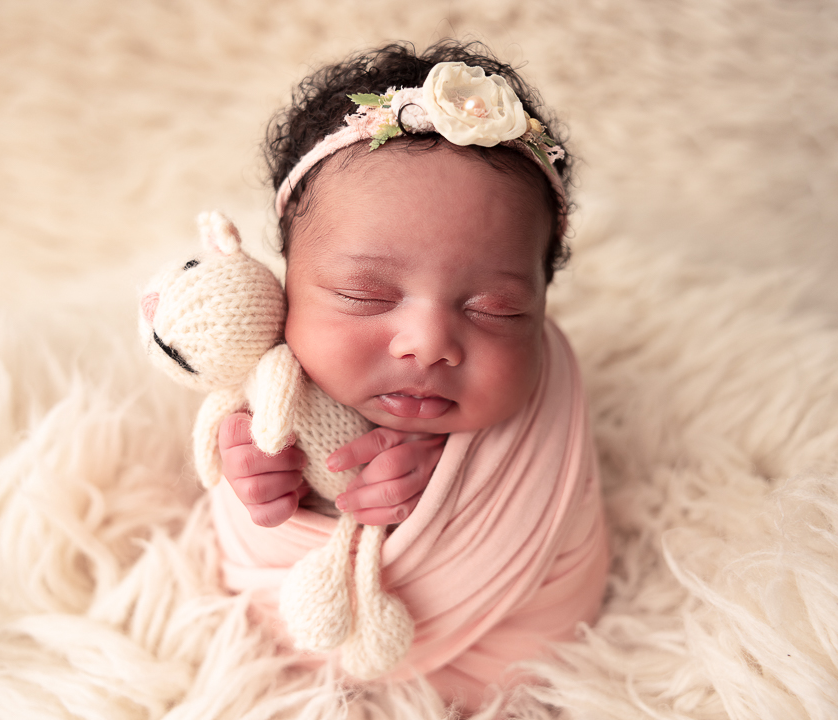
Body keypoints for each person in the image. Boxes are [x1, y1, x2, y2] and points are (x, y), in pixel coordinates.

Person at [210, 40, 609, 712]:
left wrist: (453, 486)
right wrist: (257, 473)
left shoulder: (544, 402)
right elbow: (241, 539)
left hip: (500, 665)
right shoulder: (273, 381)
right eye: (366, 295)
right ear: (286, 285)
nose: (428, 345)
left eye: (497, 309)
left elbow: (558, 533)